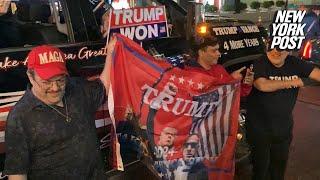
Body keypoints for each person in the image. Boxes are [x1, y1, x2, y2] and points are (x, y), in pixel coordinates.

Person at [3, 38, 115, 179]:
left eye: (60, 80)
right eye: (46, 82)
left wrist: (111, 53)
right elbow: (17, 174)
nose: (55, 88)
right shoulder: (20, 117)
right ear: (31, 78)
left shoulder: (77, 88)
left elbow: (103, 87)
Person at [246, 46, 320, 180]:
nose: (276, 52)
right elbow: (262, 85)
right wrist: (297, 81)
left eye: (281, 48)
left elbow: (317, 74)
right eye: (273, 48)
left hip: (283, 128)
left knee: (278, 170)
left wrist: (307, 79)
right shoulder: (260, 62)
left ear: (289, 50)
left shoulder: (295, 62)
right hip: (259, 129)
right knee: (260, 170)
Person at [186, 36, 254, 96]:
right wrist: (231, 79)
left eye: (218, 50)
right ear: (201, 53)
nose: (218, 53)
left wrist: (246, 84)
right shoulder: (191, 73)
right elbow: (209, 95)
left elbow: (234, 94)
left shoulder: (219, 69)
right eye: (214, 51)